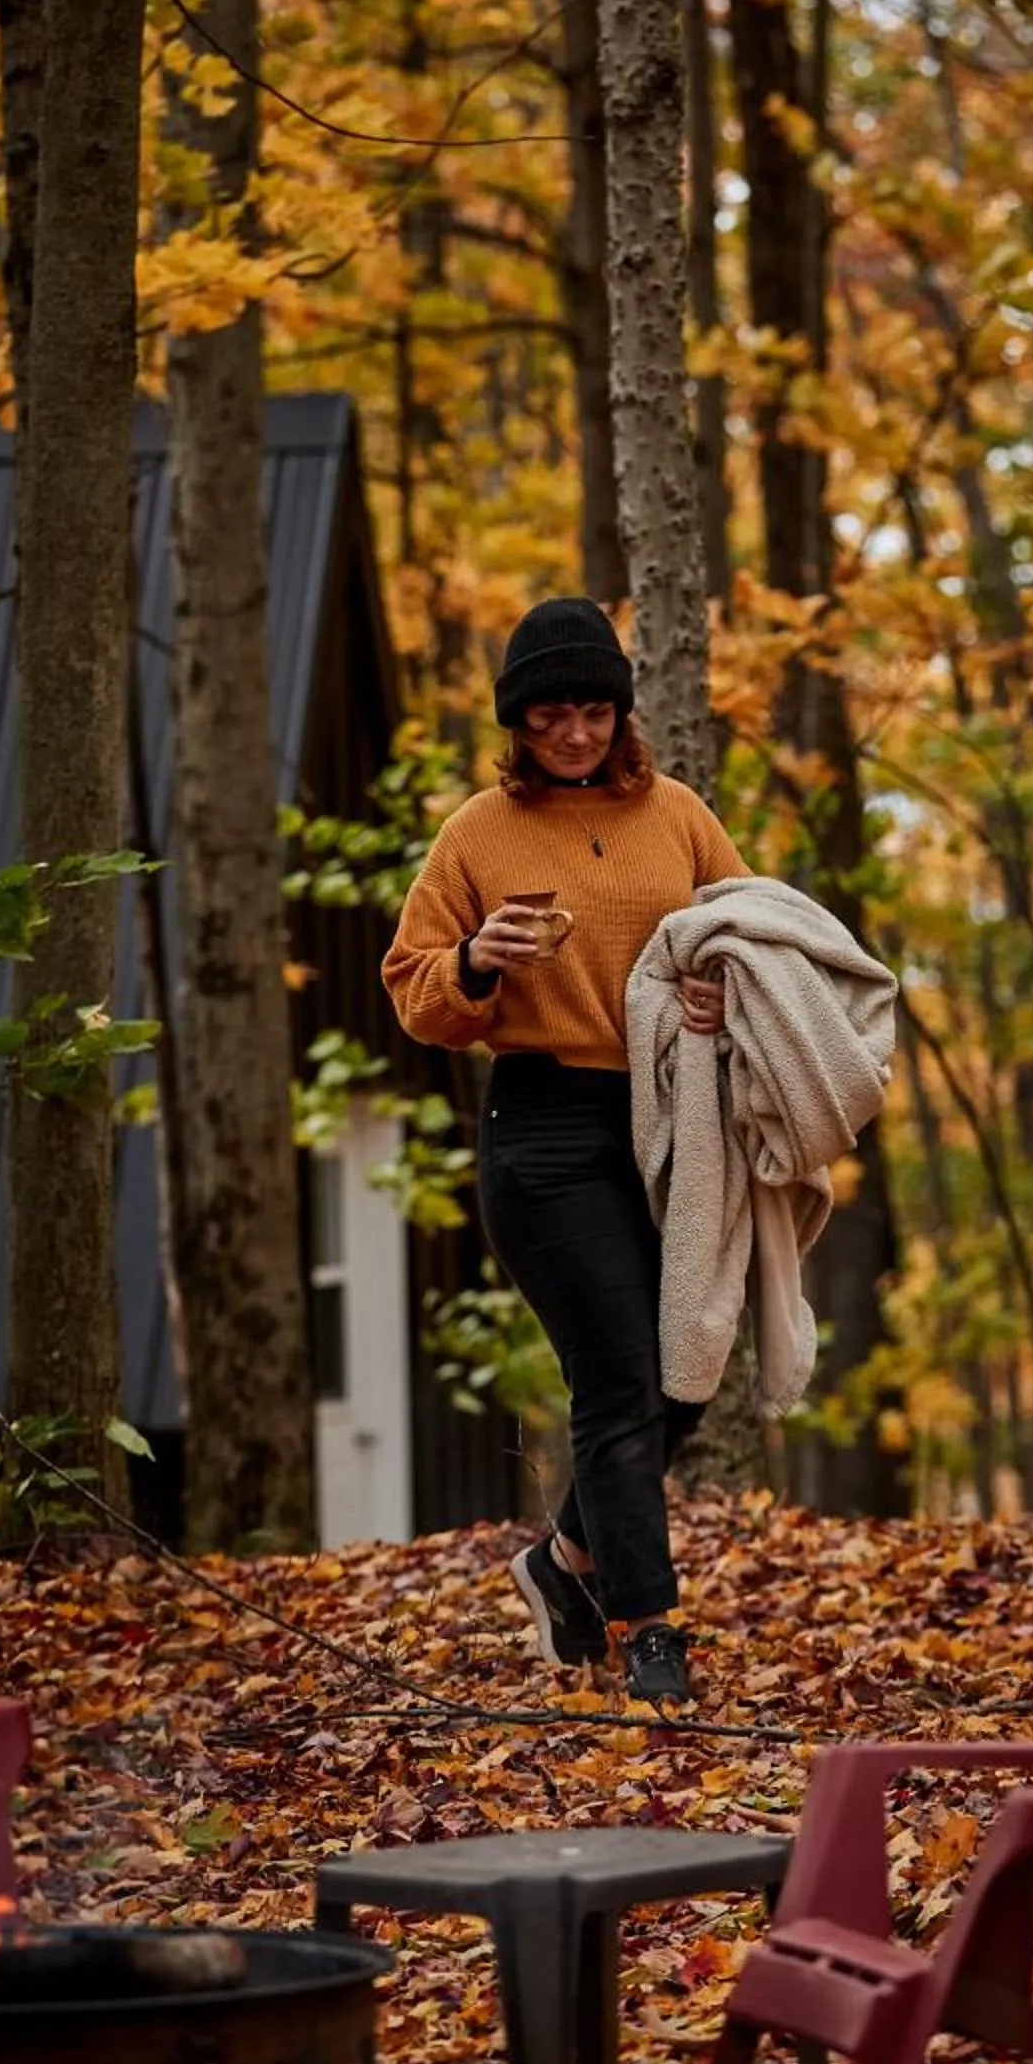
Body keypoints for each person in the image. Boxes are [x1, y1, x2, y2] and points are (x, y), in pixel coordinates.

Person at [382, 598, 750, 1706]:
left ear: (621, 714)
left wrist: (713, 985)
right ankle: (645, 1627)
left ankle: (563, 1563)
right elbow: (413, 992)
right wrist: (477, 963)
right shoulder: (474, 837)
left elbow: (749, 935)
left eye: (594, 711)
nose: (577, 734)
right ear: (518, 724)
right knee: (616, 1380)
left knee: (681, 1368)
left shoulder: (678, 816)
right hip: (539, 1129)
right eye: (552, 716)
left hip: (666, 1118)